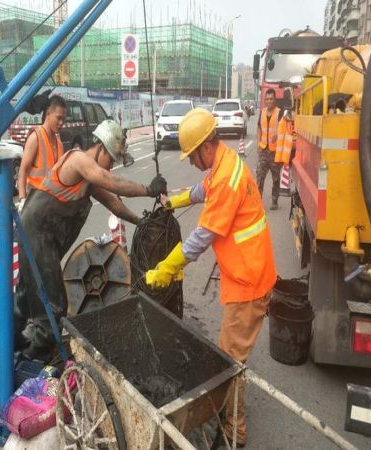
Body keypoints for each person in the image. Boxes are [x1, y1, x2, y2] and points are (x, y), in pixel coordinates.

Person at [146, 108, 276, 447]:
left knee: (230, 360)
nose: (190, 161)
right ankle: (226, 417)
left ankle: (235, 433)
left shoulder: (227, 181)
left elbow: (201, 236)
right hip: (245, 273)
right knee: (227, 352)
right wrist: (175, 200)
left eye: (191, 155)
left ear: (206, 146)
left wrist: (168, 266)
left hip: (249, 280)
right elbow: (203, 188)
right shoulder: (224, 161)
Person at [15, 119, 166, 361]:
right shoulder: (79, 160)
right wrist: (148, 189)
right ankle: (36, 357)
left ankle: (13, 340)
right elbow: (110, 181)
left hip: (43, 238)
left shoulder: (89, 180)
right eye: (111, 160)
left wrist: (139, 221)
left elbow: (113, 202)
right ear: (102, 147)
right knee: (55, 305)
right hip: (36, 233)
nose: (111, 167)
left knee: (25, 292)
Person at [17, 95, 67, 208]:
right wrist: (22, 199)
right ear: (48, 114)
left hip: (51, 204)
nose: (61, 123)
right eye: (58, 118)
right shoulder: (36, 137)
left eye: (64, 119)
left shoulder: (59, 143)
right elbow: (23, 171)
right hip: (34, 203)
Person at [256, 88, 284, 210]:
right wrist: (258, 143)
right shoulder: (262, 112)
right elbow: (258, 128)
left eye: (271, 99)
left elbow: (285, 129)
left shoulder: (280, 113)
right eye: (267, 99)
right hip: (263, 150)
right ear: (265, 100)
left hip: (275, 151)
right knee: (259, 176)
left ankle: (274, 200)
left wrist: (277, 136)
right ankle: (257, 201)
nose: (269, 101)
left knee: (276, 178)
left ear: (275, 99)